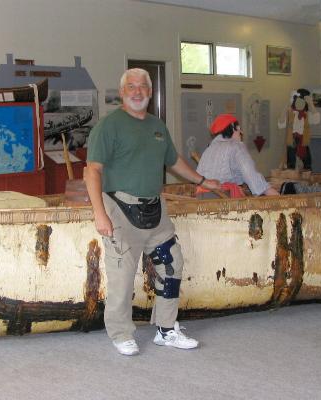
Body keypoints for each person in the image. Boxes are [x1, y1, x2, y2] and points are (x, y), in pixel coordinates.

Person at [85, 68, 220, 356]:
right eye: (131, 86)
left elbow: (174, 160)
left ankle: (166, 328)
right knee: (122, 275)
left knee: (172, 265)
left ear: (150, 91)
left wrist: (201, 180)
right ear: (122, 92)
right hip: (120, 209)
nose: (137, 91)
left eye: (143, 87)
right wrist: (100, 213)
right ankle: (121, 333)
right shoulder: (108, 127)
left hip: (155, 209)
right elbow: (92, 171)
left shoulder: (158, 126)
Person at [196, 114, 279, 198]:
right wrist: (277, 196)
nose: (241, 132)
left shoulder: (209, 148)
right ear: (233, 127)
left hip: (201, 199)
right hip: (222, 201)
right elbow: (251, 176)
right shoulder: (236, 147)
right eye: (239, 128)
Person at [278, 88, 320, 170]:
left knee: (308, 163)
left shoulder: (306, 115)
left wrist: (311, 104)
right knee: (291, 163)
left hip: (303, 140)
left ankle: (307, 177)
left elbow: (317, 120)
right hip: (292, 139)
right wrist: (286, 107)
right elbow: (280, 124)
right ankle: (291, 179)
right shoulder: (290, 112)